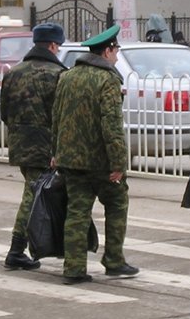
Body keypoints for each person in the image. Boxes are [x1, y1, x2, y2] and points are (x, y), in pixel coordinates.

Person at [52, 24, 138, 284]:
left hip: (71, 160)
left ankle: (74, 268)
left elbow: (56, 116)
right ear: (108, 51)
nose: (117, 55)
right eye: (116, 50)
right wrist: (118, 164)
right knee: (116, 204)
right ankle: (114, 260)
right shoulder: (108, 79)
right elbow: (111, 125)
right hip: (99, 161)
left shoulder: (67, 76)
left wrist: (56, 151)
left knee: (77, 211)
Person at [0, 23, 68, 271]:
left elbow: (4, 113)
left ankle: (32, 247)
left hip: (20, 144)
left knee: (33, 193)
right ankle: (17, 249)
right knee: (34, 196)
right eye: (58, 46)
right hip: (46, 146)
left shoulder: (13, 73)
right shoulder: (58, 74)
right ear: (52, 46)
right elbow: (62, 115)